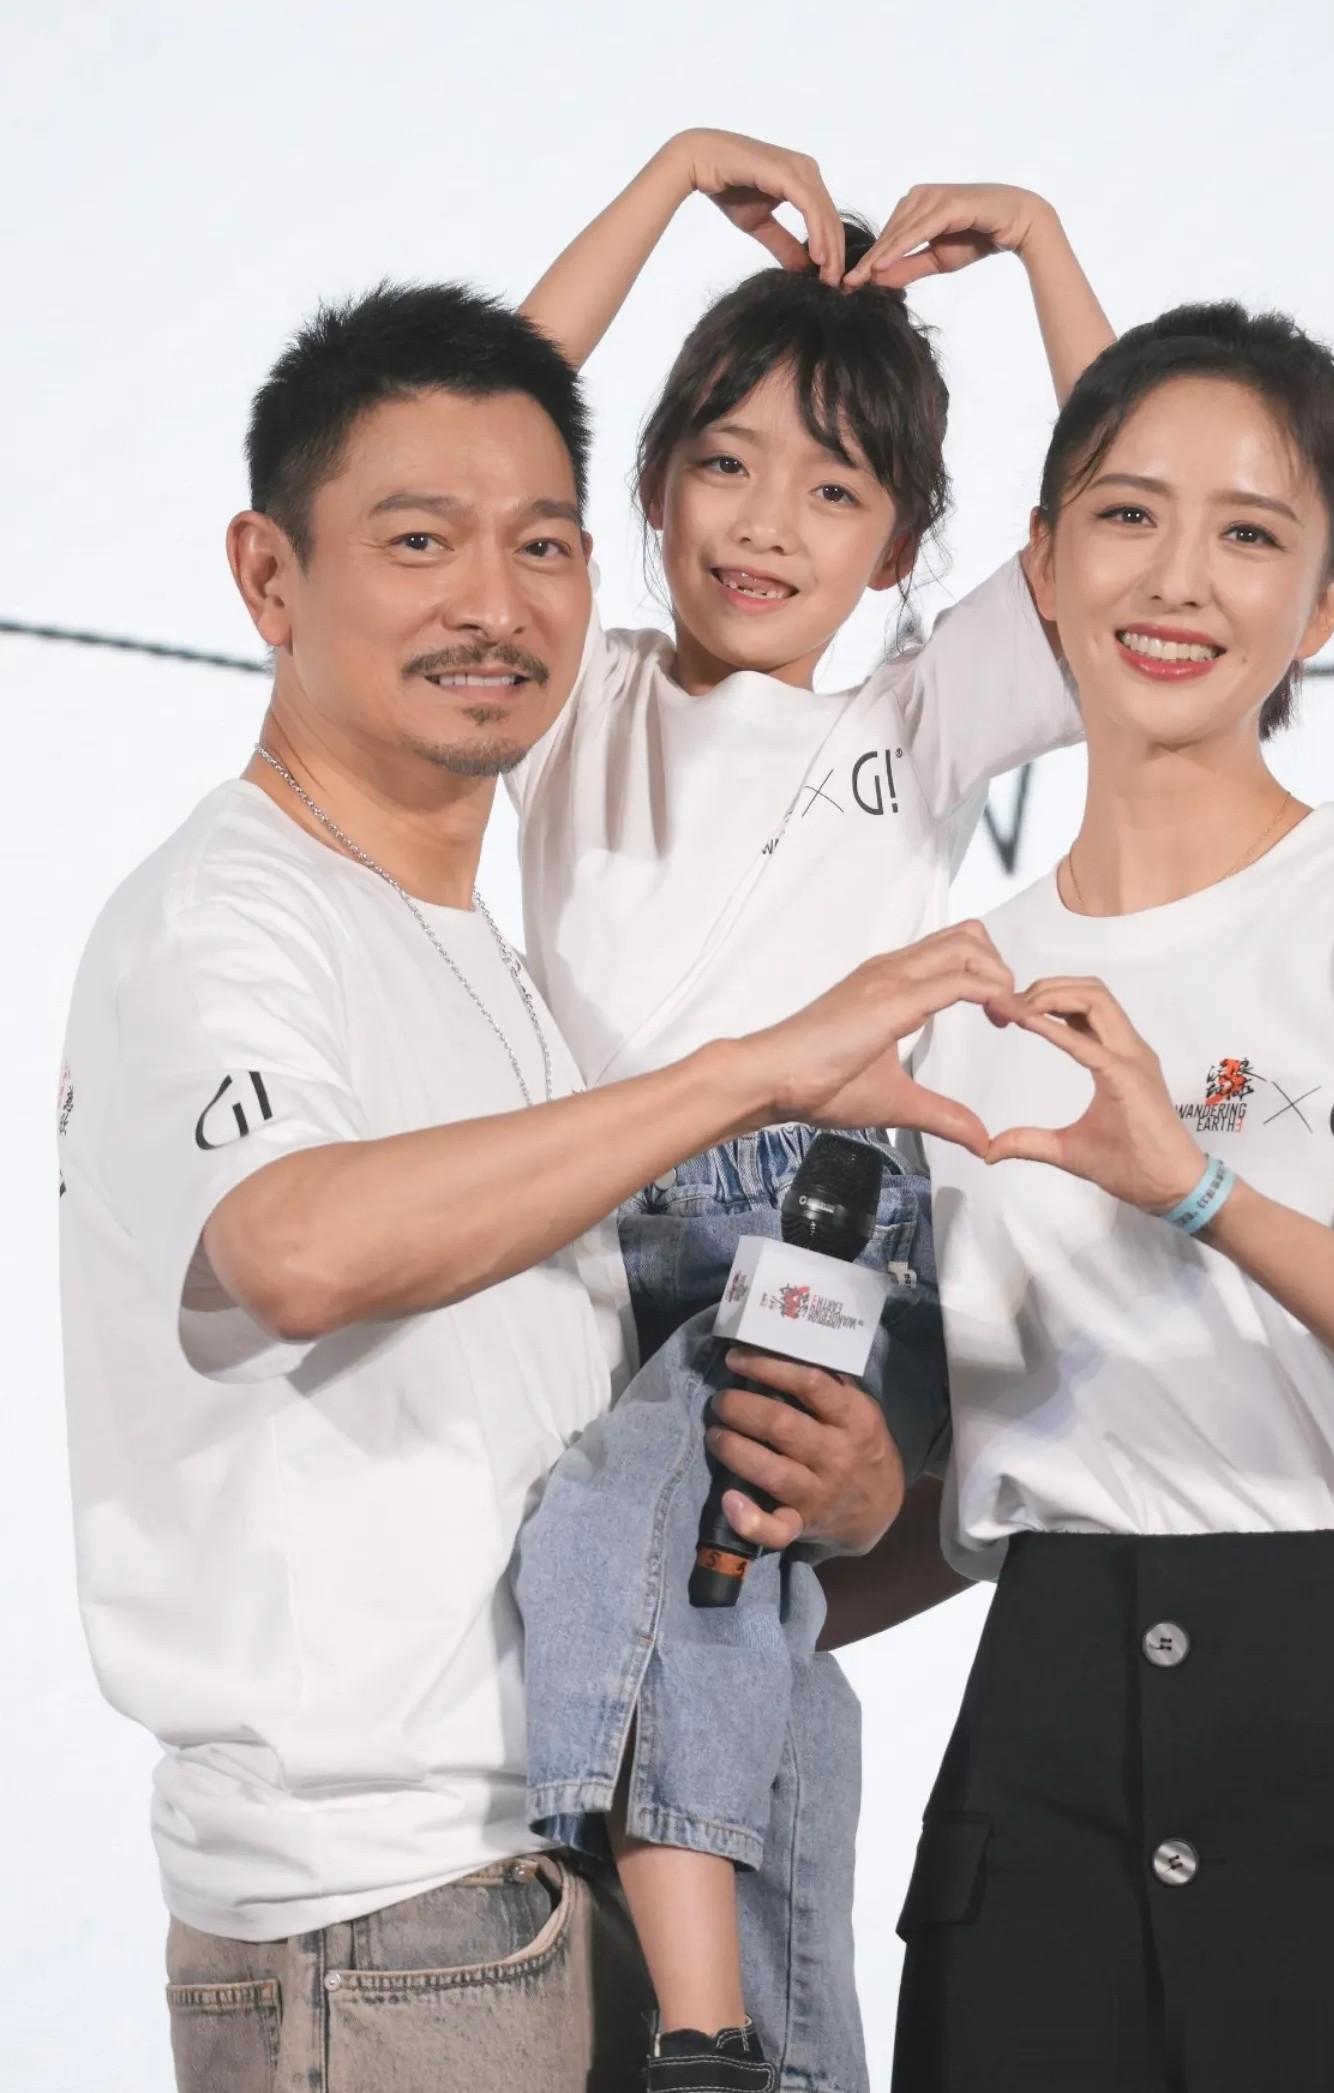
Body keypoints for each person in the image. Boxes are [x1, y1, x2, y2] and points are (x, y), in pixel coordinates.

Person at [55, 280, 1003, 2093]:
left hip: (589, 1876)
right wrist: (753, 1068)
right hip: (387, 1926)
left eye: (540, 545)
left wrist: (861, 1497)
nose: (493, 601)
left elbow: (672, 1557)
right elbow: (294, 1245)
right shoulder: (226, 920)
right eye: (419, 541)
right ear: (268, 578)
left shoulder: (498, 970)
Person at [508, 130, 1112, 2091]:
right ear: (649, 483)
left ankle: (692, 2032)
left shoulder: (908, 724)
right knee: (751, 1649)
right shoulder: (578, 697)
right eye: (728, 462)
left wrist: (1041, 243)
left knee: (650, 1511)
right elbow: (465, 433)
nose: (769, 522)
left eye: (835, 489)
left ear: (903, 546)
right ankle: (776, 2049)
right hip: (596, 1239)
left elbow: (1135, 525)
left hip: (824, 1226)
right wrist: (670, 174)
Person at [893, 301, 1334, 2092]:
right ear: (1045, 563)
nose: (1178, 579)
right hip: (1037, 1763)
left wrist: (1201, 1189)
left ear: (1327, 609)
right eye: (1128, 514)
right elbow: (987, 1451)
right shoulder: (948, 989)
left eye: (1252, 533)